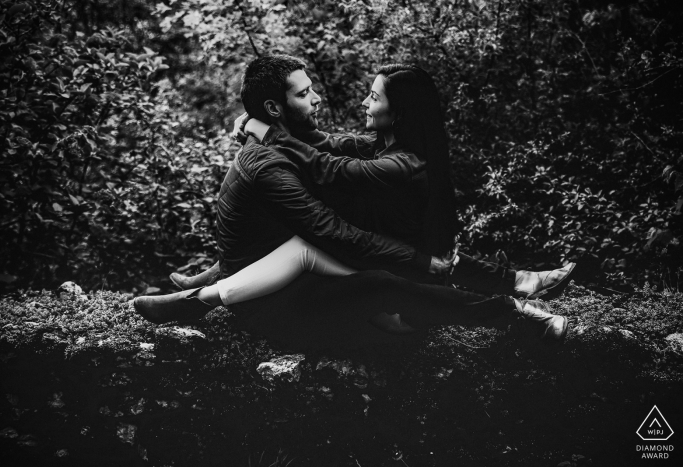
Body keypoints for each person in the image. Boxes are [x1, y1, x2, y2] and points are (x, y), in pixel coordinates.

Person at [134, 55, 571, 348]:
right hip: (280, 288)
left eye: (374, 97)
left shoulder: (392, 160)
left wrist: (264, 126)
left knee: (386, 278)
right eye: (304, 93)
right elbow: (327, 189)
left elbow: (330, 162)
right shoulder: (279, 159)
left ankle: (203, 295)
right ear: (275, 106)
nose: (320, 98)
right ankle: (514, 303)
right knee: (381, 282)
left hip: (307, 265)